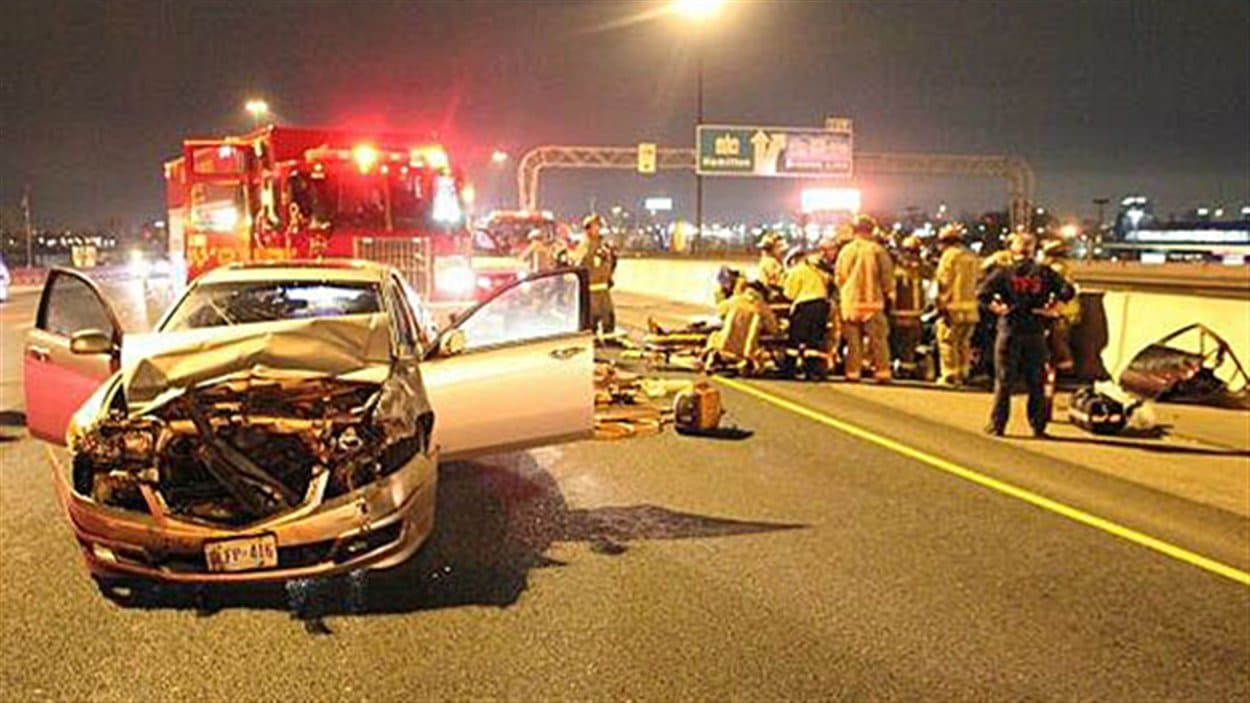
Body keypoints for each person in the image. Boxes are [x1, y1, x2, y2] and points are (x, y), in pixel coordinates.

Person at [978, 233, 1075, 438]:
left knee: (1004, 381)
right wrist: (1053, 307)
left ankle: (998, 425)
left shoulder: (1004, 272)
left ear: (1013, 250)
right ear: (1032, 250)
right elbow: (1068, 290)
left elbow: (982, 294)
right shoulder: (1044, 272)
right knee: (1036, 381)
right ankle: (1038, 427)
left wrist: (999, 308)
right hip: (1035, 330)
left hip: (1010, 329)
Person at [835, 215, 894, 382]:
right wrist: (887, 294)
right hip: (873, 305)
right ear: (871, 230)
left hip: (850, 304)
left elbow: (839, 277)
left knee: (853, 343)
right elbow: (886, 277)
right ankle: (882, 373)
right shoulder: (877, 250)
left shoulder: (846, 251)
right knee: (878, 342)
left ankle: (853, 373)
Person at [934, 224, 981, 385]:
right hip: (971, 308)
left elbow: (944, 282)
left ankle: (950, 375)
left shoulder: (949, 256)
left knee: (947, 341)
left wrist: (941, 305)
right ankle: (964, 372)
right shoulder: (972, 256)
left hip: (953, 308)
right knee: (964, 342)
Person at [705, 280, 781, 375]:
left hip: (725, 344)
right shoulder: (763, 307)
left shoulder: (735, 300)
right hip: (748, 349)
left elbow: (720, 310)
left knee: (713, 336)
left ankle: (712, 358)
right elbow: (773, 329)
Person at [781, 243, 833, 381]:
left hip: (805, 306)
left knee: (795, 339)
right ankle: (815, 371)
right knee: (815, 339)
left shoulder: (796, 271)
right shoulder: (816, 270)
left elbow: (789, 294)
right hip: (822, 305)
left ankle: (789, 370)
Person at [889, 235, 929, 378]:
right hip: (898, 314)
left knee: (909, 346)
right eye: (910, 251)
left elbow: (932, 273)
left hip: (914, 315)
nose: (912, 255)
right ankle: (896, 367)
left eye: (915, 252)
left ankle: (906, 369)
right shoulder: (896, 270)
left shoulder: (919, 269)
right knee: (898, 344)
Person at [1040, 238, 1080, 376]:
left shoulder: (1055, 269)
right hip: (1068, 311)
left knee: (1057, 343)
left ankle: (1063, 372)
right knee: (1060, 342)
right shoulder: (1065, 267)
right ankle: (1063, 371)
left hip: (1060, 311)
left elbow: (1055, 291)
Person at [571, 214, 617, 335]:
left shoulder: (603, 244)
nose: (598, 229)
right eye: (595, 226)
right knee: (593, 318)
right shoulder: (584, 245)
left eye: (598, 226)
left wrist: (609, 276)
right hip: (592, 290)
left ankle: (608, 337)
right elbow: (579, 265)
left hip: (604, 289)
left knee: (608, 316)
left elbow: (610, 261)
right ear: (588, 228)